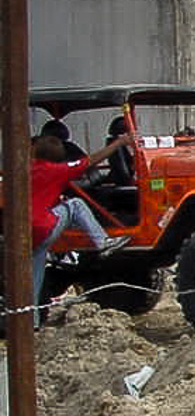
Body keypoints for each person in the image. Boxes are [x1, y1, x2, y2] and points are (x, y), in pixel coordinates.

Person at [30, 133, 132, 324]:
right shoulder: (57, 170)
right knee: (76, 204)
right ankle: (103, 242)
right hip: (45, 227)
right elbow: (89, 162)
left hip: (26, 233)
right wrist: (119, 143)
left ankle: (31, 324)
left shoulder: (23, 170)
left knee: (32, 281)